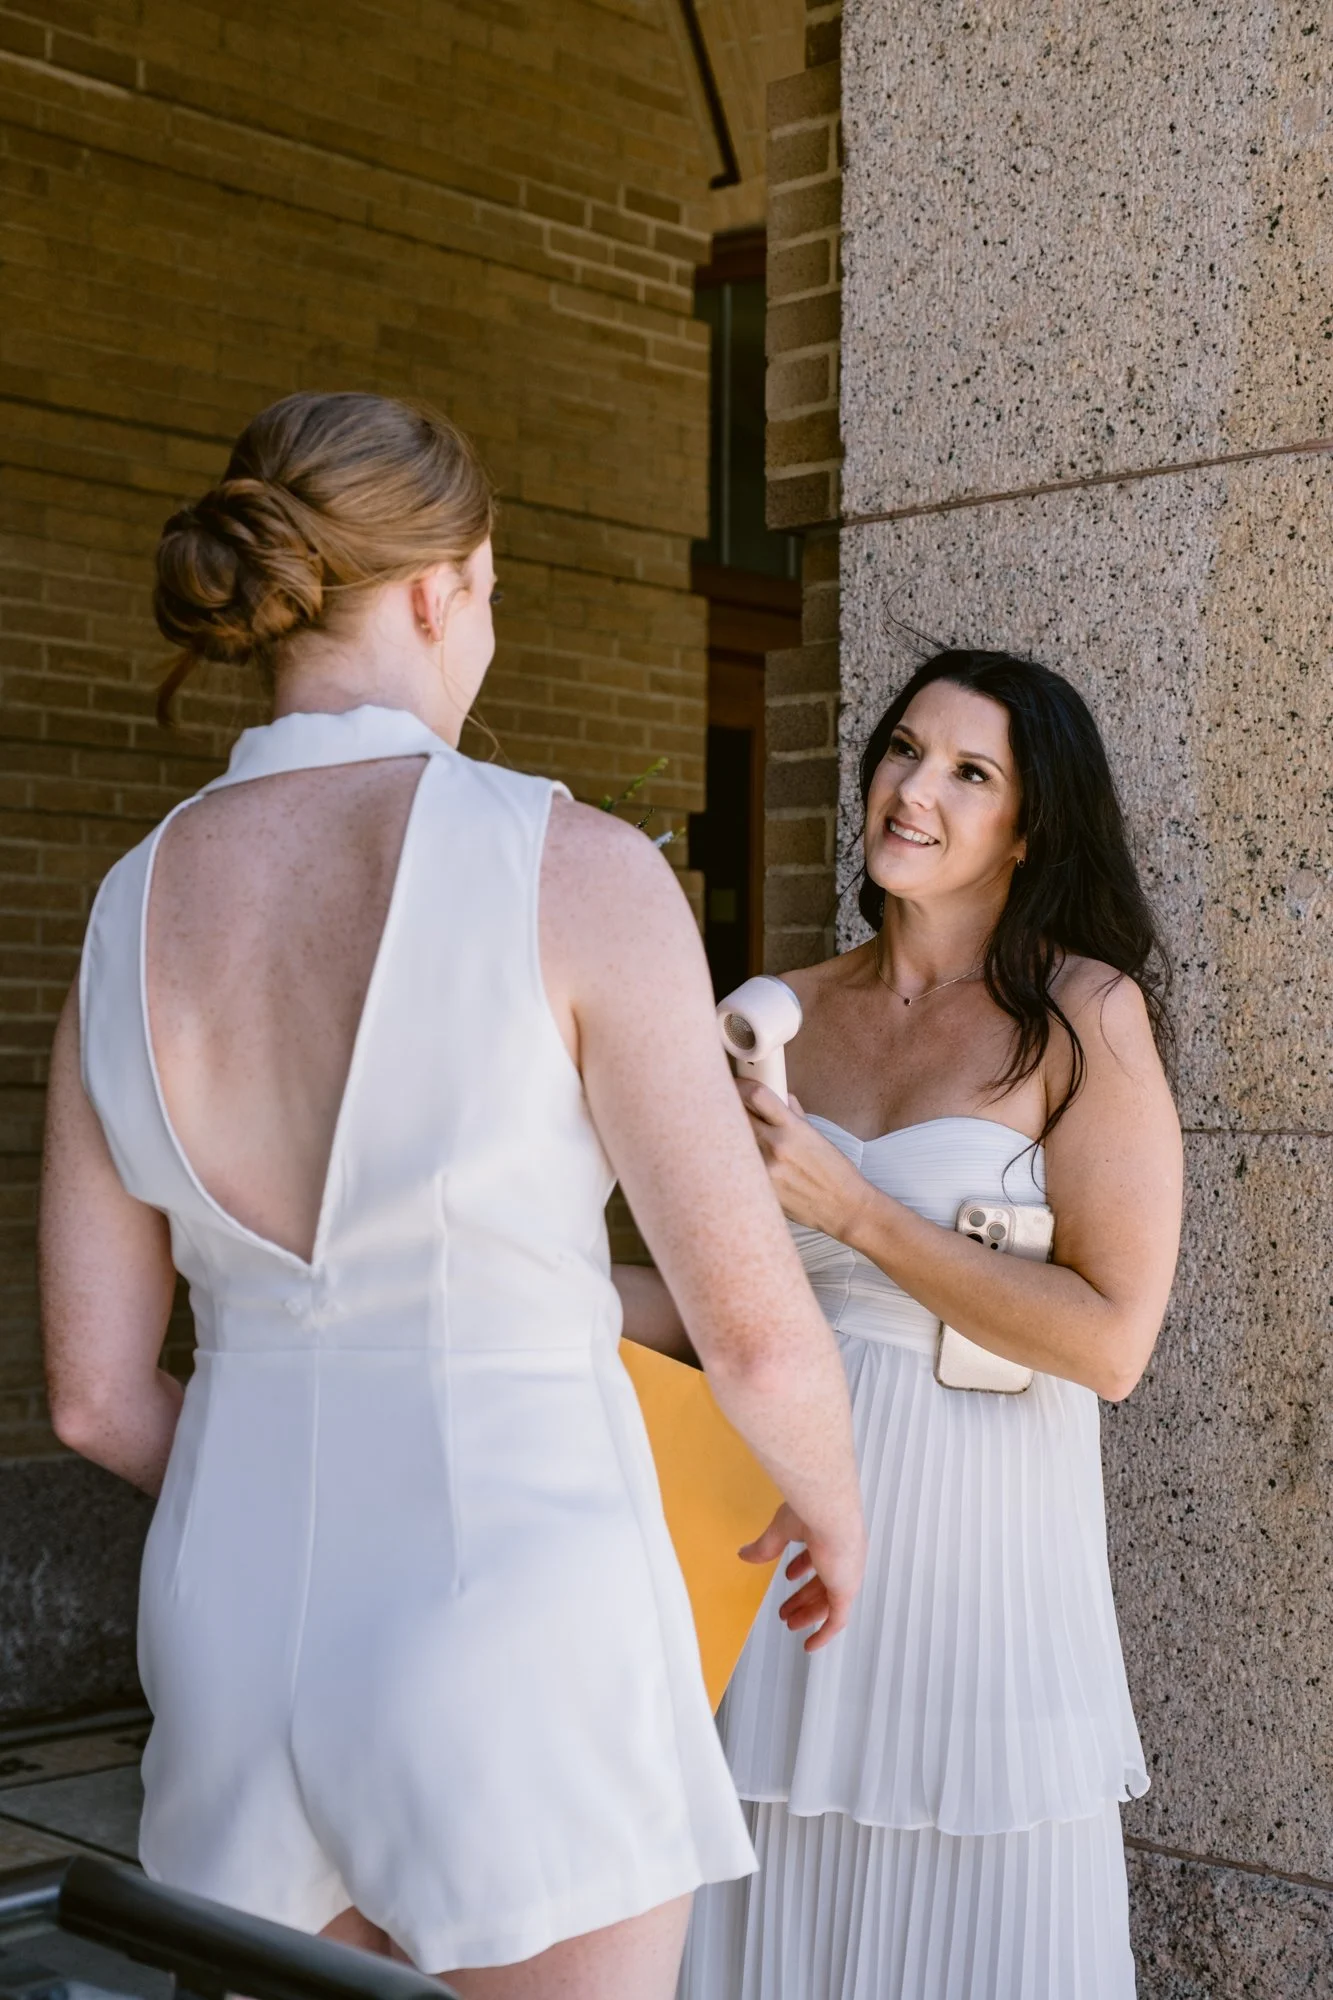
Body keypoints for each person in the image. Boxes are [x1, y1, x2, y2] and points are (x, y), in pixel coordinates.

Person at [38, 390, 866, 2000]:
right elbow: (752, 1332)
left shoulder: (125, 909)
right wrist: (835, 1515)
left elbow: (88, 1394)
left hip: (224, 1627)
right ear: (443, 584)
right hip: (517, 1604)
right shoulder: (569, 866)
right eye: (492, 592)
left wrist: (275, 1488)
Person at [627, 648, 1182, 1998]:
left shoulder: (1085, 1018)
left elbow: (1112, 1341)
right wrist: (507, 1283)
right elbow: (713, 1303)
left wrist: (858, 1208)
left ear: (1027, 823)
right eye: (901, 751)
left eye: (968, 771)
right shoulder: (780, 1012)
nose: (913, 790)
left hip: (985, 1566)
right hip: (784, 1547)